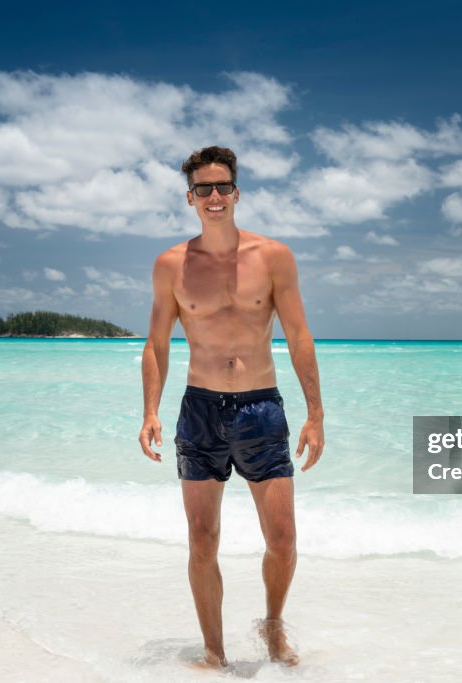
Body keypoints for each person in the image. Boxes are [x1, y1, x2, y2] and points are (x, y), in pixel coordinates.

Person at [138, 146, 325, 669]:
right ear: (190, 198)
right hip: (199, 411)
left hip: (261, 410)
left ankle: (272, 627)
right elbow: (156, 345)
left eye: (222, 187)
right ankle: (214, 653)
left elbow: (300, 336)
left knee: (283, 538)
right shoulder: (171, 264)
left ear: (236, 193)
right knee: (202, 540)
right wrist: (150, 411)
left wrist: (316, 414)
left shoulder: (273, 257)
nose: (214, 197)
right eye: (204, 189)